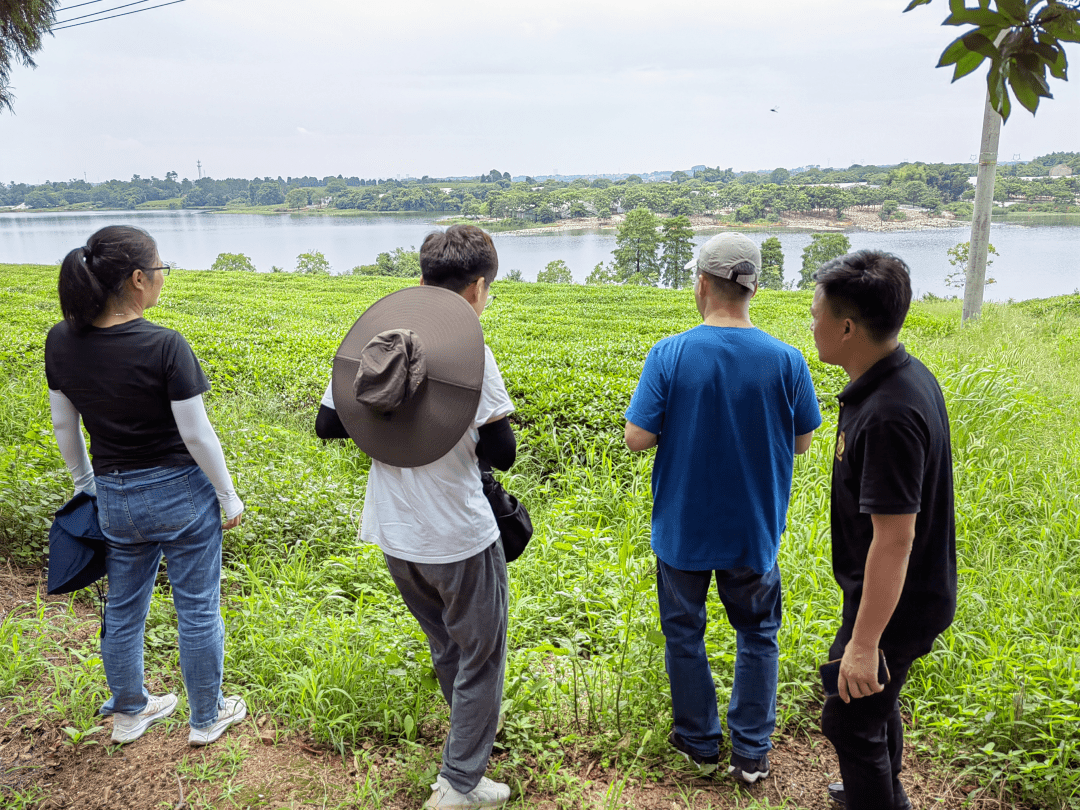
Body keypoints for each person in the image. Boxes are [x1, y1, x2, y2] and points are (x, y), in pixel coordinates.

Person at [316, 224, 517, 810]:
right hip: (458, 532)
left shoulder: (376, 341)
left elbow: (329, 425)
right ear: (478, 288)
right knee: (481, 657)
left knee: (448, 647)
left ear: (422, 276)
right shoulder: (468, 350)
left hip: (395, 531)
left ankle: (466, 752)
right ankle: (459, 784)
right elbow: (502, 451)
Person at [624, 232, 821, 783]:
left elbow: (637, 438)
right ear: (753, 288)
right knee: (758, 633)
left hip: (683, 528)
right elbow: (803, 441)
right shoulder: (787, 359)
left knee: (684, 632)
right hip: (753, 530)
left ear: (702, 285)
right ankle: (751, 753)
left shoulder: (670, 353)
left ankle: (699, 742)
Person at [46, 225, 247, 747]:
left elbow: (64, 426)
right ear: (138, 278)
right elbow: (197, 434)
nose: (162, 278)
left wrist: (86, 483)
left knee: (124, 606)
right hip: (181, 493)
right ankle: (206, 718)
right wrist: (227, 495)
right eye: (160, 270)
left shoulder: (61, 340)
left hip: (115, 496)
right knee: (198, 607)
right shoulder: (164, 345)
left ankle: (130, 713)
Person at [810, 250, 956, 810]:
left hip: (899, 602)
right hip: (901, 594)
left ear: (847, 327)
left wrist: (864, 643)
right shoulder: (891, 378)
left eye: (816, 314)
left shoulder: (889, 411)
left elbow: (895, 538)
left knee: (849, 718)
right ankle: (877, 790)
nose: (812, 325)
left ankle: (878, 798)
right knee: (874, 701)